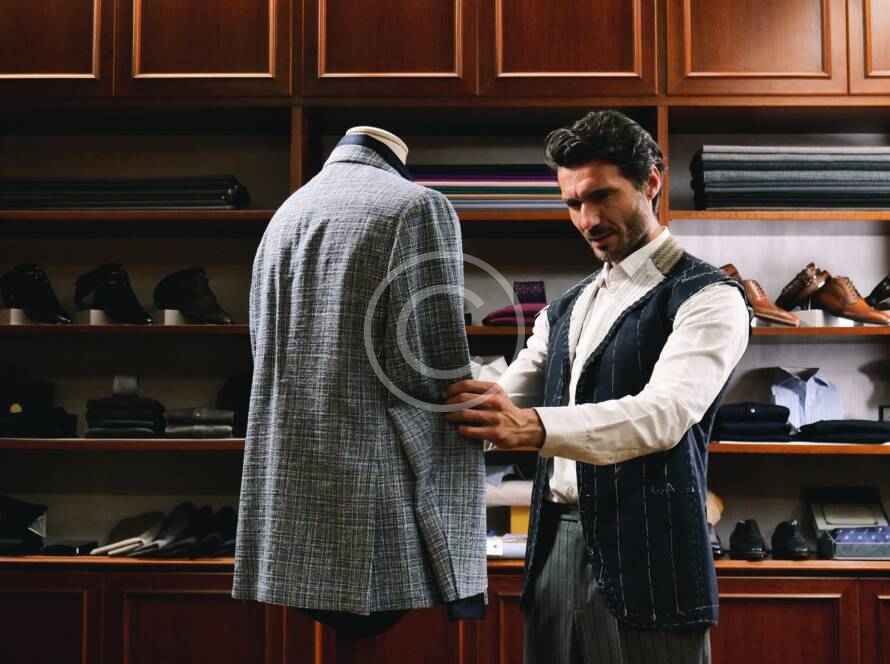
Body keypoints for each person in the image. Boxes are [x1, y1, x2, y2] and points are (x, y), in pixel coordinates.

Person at [446, 110, 750, 664]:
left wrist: (531, 428)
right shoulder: (565, 308)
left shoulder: (709, 297)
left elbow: (663, 414)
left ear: (650, 182)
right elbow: (504, 402)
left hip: (651, 558)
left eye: (602, 196)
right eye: (572, 204)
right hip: (554, 546)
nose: (587, 219)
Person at [234, 126, 486, 639]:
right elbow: (435, 371)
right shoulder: (417, 206)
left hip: (294, 508)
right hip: (383, 509)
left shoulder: (287, 214)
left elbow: (264, 356)